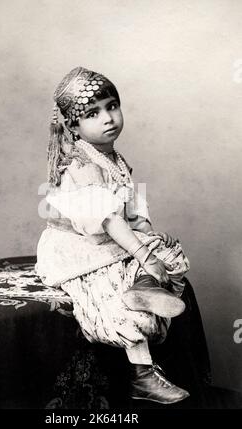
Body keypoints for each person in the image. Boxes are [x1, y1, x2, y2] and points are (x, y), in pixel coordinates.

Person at [35, 66, 191, 404]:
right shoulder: (80, 164)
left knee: (170, 254)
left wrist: (149, 238)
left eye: (112, 105)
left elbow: (129, 206)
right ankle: (143, 376)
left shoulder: (111, 157)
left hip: (109, 237)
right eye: (93, 113)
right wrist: (144, 255)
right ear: (72, 125)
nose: (109, 118)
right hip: (78, 247)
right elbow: (108, 219)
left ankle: (145, 287)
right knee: (112, 288)